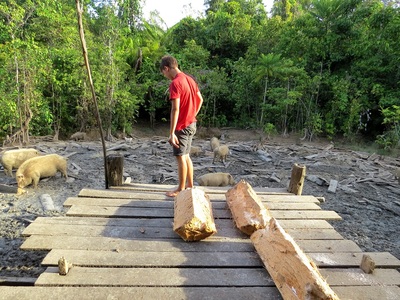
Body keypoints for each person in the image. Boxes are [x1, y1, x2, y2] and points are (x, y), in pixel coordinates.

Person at [160, 55, 204, 197]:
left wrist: (172, 132)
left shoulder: (175, 83)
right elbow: (200, 99)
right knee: (186, 156)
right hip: (191, 124)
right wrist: (193, 114)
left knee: (181, 157)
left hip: (182, 126)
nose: (165, 76)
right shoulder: (190, 79)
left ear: (166, 68)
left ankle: (180, 189)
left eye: (164, 73)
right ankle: (190, 186)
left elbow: (175, 109)